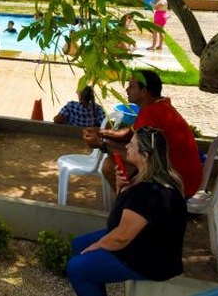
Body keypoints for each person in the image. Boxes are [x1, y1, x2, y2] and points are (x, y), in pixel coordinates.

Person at [67, 127, 187, 296]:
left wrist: (98, 245)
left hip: (147, 259)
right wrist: (120, 186)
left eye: (131, 145)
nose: (126, 148)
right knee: (79, 244)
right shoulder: (144, 174)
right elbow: (126, 210)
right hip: (142, 240)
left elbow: (122, 237)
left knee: (76, 268)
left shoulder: (149, 191)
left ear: (144, 156)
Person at [85, 70, 202, 198]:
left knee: (110, 166)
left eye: (131, 86)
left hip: (179, 184)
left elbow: (140, 157)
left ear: (144, 92)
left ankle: (130, 207)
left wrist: (102, 145)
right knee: (115, 155)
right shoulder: (157, 106)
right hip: (182, 177)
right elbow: (129, 134)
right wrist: (102, 133)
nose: (126, 90)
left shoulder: (151, 113)